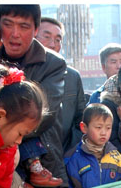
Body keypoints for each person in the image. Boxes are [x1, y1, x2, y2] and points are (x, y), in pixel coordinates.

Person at [0, 4, 67, 188]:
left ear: (35, 29)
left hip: (43, 165)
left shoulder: (53, 64)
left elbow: (45, 114)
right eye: (8, 24)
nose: (15, 33)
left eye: (24, 26)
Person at [36, 16, 86, 154]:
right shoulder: (22, 72)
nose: (53, 44)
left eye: (58, 40)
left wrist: (70, 150)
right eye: (46, 37)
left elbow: (80, 117)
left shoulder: (72, 76)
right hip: (32, 157)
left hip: (66, 154)